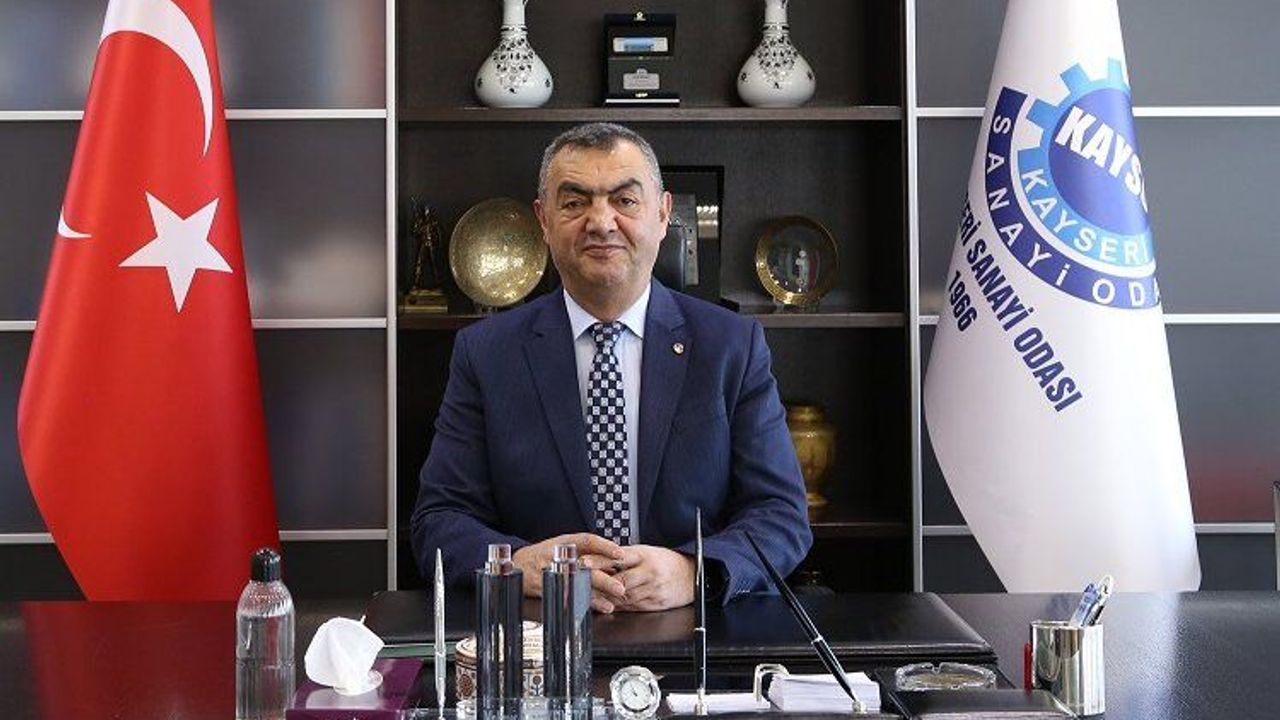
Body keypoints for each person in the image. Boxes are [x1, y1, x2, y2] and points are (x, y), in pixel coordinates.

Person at [411, 122, 811, 613]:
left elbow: (781, 515)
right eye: (574, 203)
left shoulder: (731, 345)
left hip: (691, 630)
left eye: (625, 200)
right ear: (543, 220)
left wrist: (695, 572)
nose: (601, 222)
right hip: (542, 629)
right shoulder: (487, 353)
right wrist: (515, 566)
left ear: (662, 214)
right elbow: (439, 519)